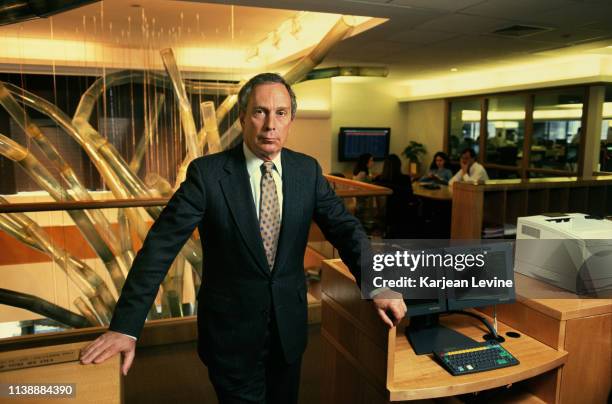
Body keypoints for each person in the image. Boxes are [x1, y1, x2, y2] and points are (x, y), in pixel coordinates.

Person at [79, 73, 406, 404]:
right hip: (230, 337)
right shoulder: (207, 175)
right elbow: (160, 247)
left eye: (280, 113)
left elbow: (345, 229)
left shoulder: (306, 171)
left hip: (288, 332)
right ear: (242, 118)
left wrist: (377, 283)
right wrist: (126, 326)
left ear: (291, 119)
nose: (270, 125)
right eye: (259, 112)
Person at [373, 154, 416, 238]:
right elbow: (410, 197)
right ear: (399, 165)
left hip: (384, 215)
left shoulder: (379, 179)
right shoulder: (404, 179)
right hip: (401, 214)